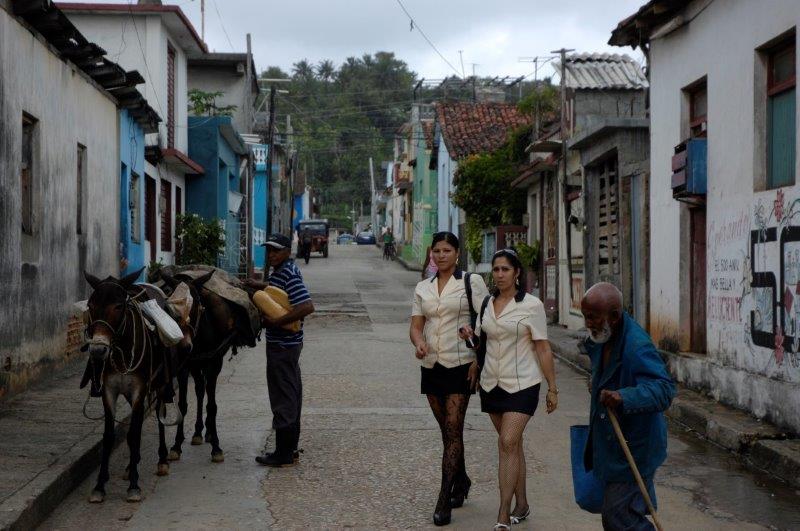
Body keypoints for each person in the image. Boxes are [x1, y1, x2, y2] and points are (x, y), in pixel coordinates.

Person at [459, 248, 558, 530]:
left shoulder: (532, 305)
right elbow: (481, 341)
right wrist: (469, 339)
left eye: (505, 269)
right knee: (512, 445)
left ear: (517, 273)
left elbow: (542, 346)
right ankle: (522, 504)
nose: (500, 274)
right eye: (496, 269)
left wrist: (552, 388)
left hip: (523, 383)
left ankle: (503, 513)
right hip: (492, 383)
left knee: (507, 442)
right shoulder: (487, 304)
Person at [580, 282, 675, 531]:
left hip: (635, 447)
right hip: (614, 448)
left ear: (614, 316)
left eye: (593, 317)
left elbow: (664, 390)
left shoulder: (636, 345)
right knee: (616, 514)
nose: (588, 323)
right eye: (585, 317)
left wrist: (624, 397)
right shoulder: (604, 335)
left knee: (619, 516)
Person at [409, 231, 489, 526]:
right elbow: (416, 326)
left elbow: (487, 320)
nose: (441, 256)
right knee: (447, 431)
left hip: (461, 363)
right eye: (437, 251)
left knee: (453, 429)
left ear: (457, 253)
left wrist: (478, 358)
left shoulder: (471, 282)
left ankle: (444, 498)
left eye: (447, 251)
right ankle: (463, 479)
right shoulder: (423, 287)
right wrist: (418, 342)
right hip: (431, 364)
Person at [246, 233, 315, 467]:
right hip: (289, 345)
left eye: (276, 250)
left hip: (283, 346)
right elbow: (280, 293)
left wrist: (276, 322)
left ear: (287, 251)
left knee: (282, 396)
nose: (271, 255)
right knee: (292, 393)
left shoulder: (288, 272)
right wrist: (261, 285)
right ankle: (291, 448)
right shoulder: (282, 272)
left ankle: (282, 454)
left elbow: (306, 306)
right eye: (269, 251)